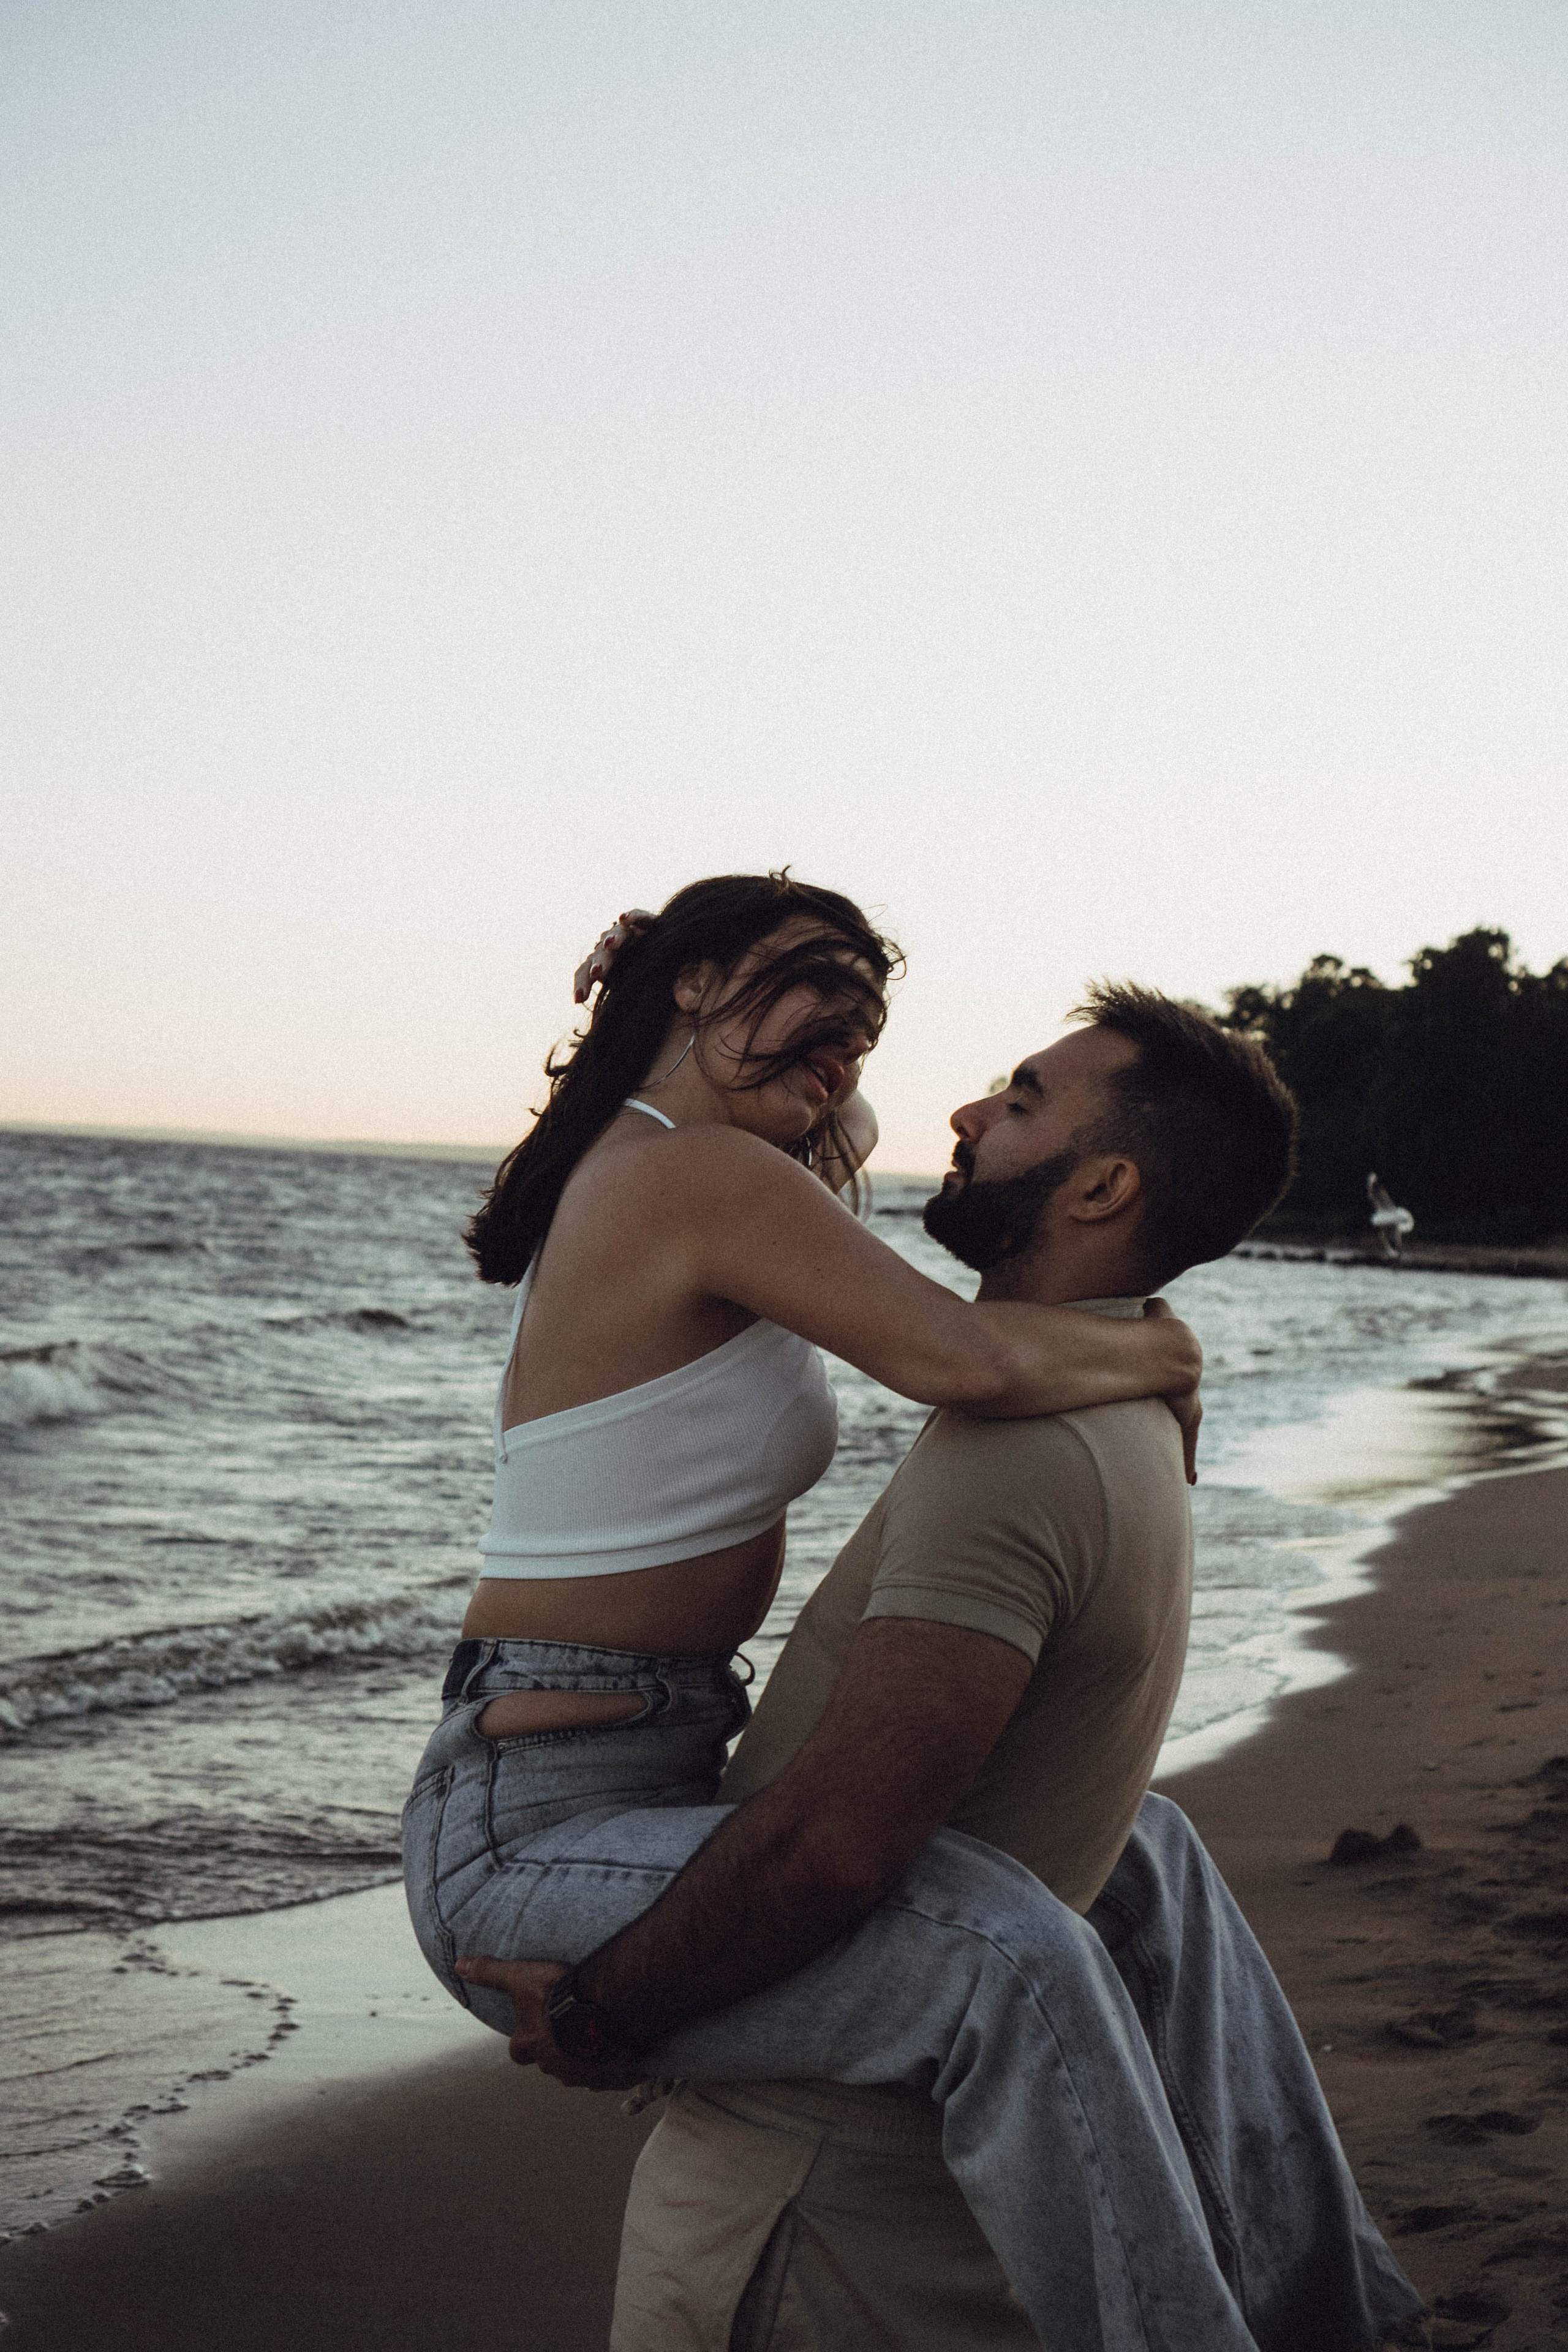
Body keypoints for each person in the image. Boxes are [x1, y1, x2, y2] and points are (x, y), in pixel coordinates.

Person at [465, 987, 1417, 2352]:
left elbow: (842, 1841)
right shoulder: (1119, 1405)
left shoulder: (1015, 1455)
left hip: (811, 2194)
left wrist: (606, 2014)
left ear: (1100, 1182)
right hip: (903, 2164)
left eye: (1020, 1098)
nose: (964, 1114)